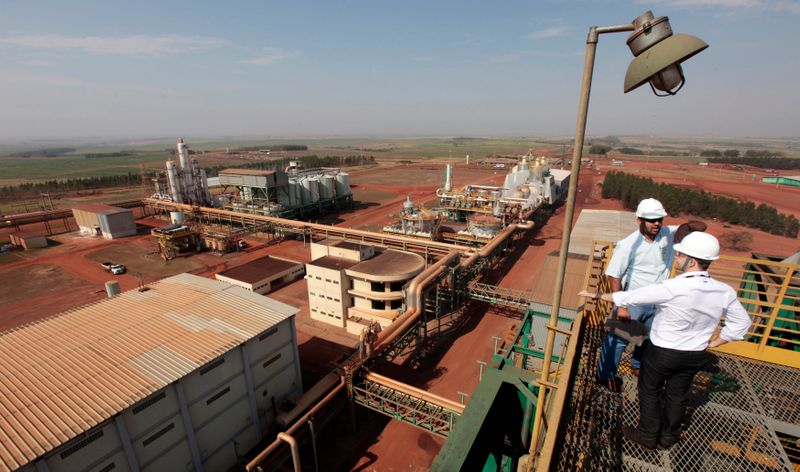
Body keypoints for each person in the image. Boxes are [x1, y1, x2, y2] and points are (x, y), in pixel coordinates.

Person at [579, 232, 751, 450]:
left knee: (650, 391)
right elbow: (742, 323)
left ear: (692, 260)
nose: (676, 257)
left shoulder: (673, 287)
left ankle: (648, 435)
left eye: (680, 254)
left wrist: (593, 295)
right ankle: (668, 438)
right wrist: (718, 341)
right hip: (695, 355)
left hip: (663, 353)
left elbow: (630, 297)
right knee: (678, 395)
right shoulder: (724, 290)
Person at [596, 198, 705, 391]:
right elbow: (614, 275)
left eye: (659, 219)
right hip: (634, 302)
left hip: (659, 300)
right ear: (639, 220)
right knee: (618, 340)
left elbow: (701, 226)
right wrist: (621, 306)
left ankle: (638, 366)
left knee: (649, 339)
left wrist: (687, 226)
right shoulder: (628, 245)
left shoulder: (668, 234)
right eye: (651, 220)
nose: (656, 223)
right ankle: (605, 375)